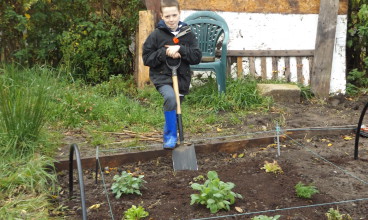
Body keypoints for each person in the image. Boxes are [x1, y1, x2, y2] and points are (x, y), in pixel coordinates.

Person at [142, 0, 202, 149]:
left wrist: (180, 49)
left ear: (179, 14)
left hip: (181, 78)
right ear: (162, 16)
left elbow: (196, 57)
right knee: (170, 98)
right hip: (162, 77)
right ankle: (170, 137)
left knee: (176, 107)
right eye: (167, 16)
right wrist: (164, 52)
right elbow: (146, 58)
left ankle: (174, 140)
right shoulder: (156, 35)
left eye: (174, 15)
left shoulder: (187, 34)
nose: (171, 19)